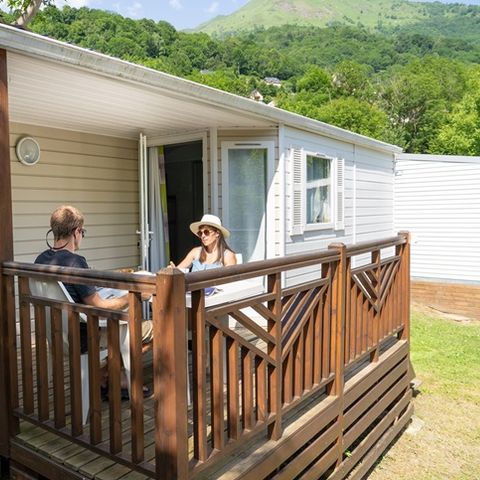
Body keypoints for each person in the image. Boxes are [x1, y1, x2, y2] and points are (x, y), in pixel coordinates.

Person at [35, 205, 152, 397]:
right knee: (155, 328)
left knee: (122, 324)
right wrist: (135, 296)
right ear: (76, 232)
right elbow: (100, 307)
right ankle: (112, 375)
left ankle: (107, 375)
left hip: (56, 335)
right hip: (84, 338)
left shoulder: (40, 260)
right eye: (82, 232)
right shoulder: (75, 262)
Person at [170, 214, 237, 271]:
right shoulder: (195, 252)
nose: (203, 236)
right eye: (200, 233)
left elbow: (230, 280)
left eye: (206, 232)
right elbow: (178, 271)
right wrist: (172, 270)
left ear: (217, 233)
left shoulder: (227, 256)